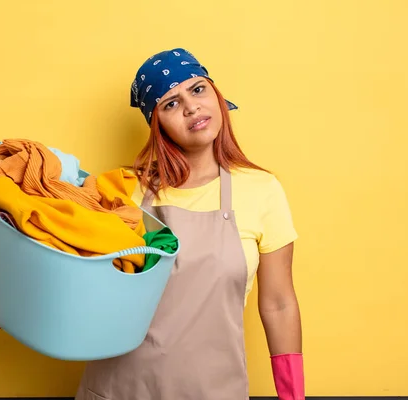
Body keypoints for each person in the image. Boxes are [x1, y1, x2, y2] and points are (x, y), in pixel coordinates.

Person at [75, 48, 304, 400]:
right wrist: (7, 305)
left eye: (197, 89)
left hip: (213, 390)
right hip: (120, 388)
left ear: (215, 94)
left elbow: (279, 303)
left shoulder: (262, 191)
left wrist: (293, 397)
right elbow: (80, 285)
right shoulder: (124, 192)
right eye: (170, 103)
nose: (191, 107)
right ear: (156, 123)